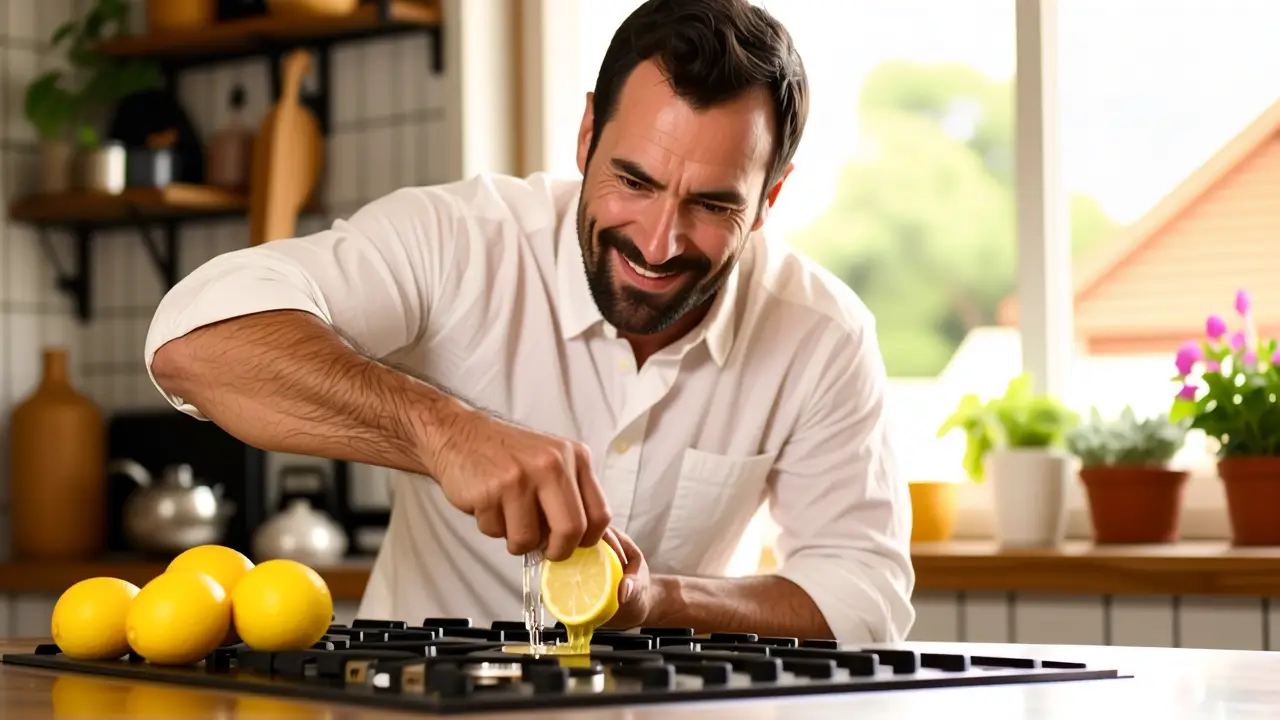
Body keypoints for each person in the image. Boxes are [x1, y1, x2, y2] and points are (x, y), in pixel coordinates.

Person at [144, 0, 915, 644]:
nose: (657, 241)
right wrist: (445, 433)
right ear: (586, 138)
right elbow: (192, 343)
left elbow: (865, 594)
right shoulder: (459, 240)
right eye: (633, 181)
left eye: (713, 206)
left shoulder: (822, 334)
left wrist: (657, 600)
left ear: (769, 201)